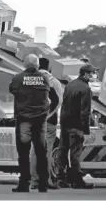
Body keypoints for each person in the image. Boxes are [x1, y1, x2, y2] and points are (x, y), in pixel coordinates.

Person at [9, 54, 50, 193]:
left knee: (24, 153)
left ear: (25, 64)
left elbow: (12, 90)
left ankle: (24, 184)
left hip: (24, 119)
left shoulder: (18, 78)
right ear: (37, 65)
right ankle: (43, 183)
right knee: (41, 152)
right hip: (40, 120)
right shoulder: (45, 78)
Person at [56, 64, 98, 189]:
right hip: (76, 125)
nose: (93, 75)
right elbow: (85, 112)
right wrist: (86, 131)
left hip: (65, 123)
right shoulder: (85, 89)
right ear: (85, 74)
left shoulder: (70, 85)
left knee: (62, 151)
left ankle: (60, 179)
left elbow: (64, 104)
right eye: (92, 73)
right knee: (75, 154)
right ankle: (77, 181)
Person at [30, 57, 63, 190]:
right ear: (49, 68)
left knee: (34, 151)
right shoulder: (54, 82)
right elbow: (58, 101)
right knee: (47, 151)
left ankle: (34, 181)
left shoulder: (30, 81)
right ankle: (46, 180)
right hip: (49, 122)